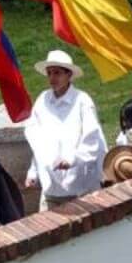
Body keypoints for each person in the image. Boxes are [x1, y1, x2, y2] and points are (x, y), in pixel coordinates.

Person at [24, 51, 107, 210]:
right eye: (49, 73)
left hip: (79, 187)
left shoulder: (82, 101)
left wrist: (72, 160)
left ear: (69, 75)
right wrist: (33, 172)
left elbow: (92, 139)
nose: (52, 78)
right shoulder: (42, 101)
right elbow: (38, 142)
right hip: (51, 187)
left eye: (57, 73)